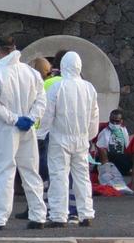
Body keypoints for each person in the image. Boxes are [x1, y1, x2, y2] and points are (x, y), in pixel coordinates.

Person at [0, 39, 46, 230]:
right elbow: (42, 100)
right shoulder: (32, 73)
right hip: (27, 128)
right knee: (31, 171)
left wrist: (14, 119)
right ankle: (38, 215)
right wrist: (31, 118)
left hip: (5, 130)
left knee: (4, 171)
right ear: (15, 49)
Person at [36, 50, 98, 226]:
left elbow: (48, 114)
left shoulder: (57, 87)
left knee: (58, 176)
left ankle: (58, 215)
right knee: (82, 177)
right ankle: (86, 214)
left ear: (62, 66)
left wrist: (40, 135)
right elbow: (95, 116)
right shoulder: (89, 88)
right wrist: (89, 135)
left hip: (59, 138)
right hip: (81, 138)